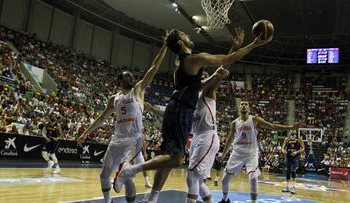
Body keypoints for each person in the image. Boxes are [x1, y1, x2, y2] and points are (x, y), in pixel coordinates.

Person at [114, 28, 271, 203]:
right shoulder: (193, 59)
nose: (188, 35)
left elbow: (196, 85)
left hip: (177, 110)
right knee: (176, 160)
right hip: (181, 112)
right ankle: (130, 170)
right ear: (181, 42)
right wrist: (254, 43)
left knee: (168, 158)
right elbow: (228, 60)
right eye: (184, 35)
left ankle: (151, 200)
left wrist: (215, 73)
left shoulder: (181, 68)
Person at [77, 35, 168, 203]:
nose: (131, 78)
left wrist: (164, 46)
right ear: (120, 80)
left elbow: (154, 67)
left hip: (133, 140)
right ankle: (108, 201)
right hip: (116, 139)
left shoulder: (139, 90)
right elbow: (101, 118)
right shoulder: (114, 98)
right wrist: (85, 133)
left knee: (126, 178)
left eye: (132, 76)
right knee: (104, 175)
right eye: (127, 76)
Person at [186, 28, 245, 203]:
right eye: (201, 75)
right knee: (195, 178)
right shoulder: (192, 95)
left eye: (206, 75)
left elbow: (222, 68)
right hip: (197, 137)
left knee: (192, 176)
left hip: (207, 136)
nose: (204, 77)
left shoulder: (208, 91)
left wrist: (233, 49)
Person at [217, 101, 300, 203]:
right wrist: (223, 154)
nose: (243, 105)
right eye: (242, 104)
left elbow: (272, 126)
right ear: (239, 108)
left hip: (251, 153)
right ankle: (225, 199)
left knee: (253, 178)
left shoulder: (255, 119)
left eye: (246, 104)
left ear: (249, 109)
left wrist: (291, 127)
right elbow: (229, 140)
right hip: (237, 153)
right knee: (224, 179)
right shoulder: (234, 123)